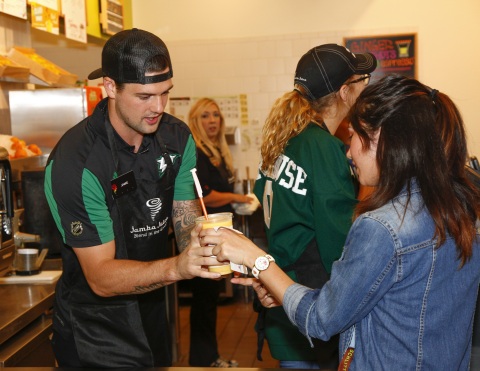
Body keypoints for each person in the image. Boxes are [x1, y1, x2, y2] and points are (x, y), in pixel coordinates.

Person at [201, 74, 480, 370]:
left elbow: (321, 319)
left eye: (353, 138)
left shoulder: (382, 228)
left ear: (380, 140)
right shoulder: (462, 209)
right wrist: (280, 290)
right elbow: (370, 298)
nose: (348, 152)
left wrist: (255, 258)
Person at [43, 28, 223, 368]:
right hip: (95, 330)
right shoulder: (77, 164)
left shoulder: (176, 138)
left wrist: (212, 252)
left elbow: (186, 223)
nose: (158, 107)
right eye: (144, 96)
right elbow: (100, 277)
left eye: (165, 93)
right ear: (110, 87)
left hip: (153, 311)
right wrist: (177, 268)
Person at [248, 44, 376, 369]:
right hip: (311, 310)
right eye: (362, 79)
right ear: (345, 92)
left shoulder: (286, 139)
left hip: (282, 297)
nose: (367, 86)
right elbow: (339, 246)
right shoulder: (326, 148)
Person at [187, 97, 252, 368]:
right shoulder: (197, 153)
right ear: (195, 121)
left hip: (218, 235)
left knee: (209, 300)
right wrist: (242, 199)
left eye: (215, 115)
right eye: (205, 116)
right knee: (204, 301)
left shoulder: (216, 150)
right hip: (205, 237)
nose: (212, 120)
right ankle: (204, 360)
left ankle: (208, 357)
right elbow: (207, 196)